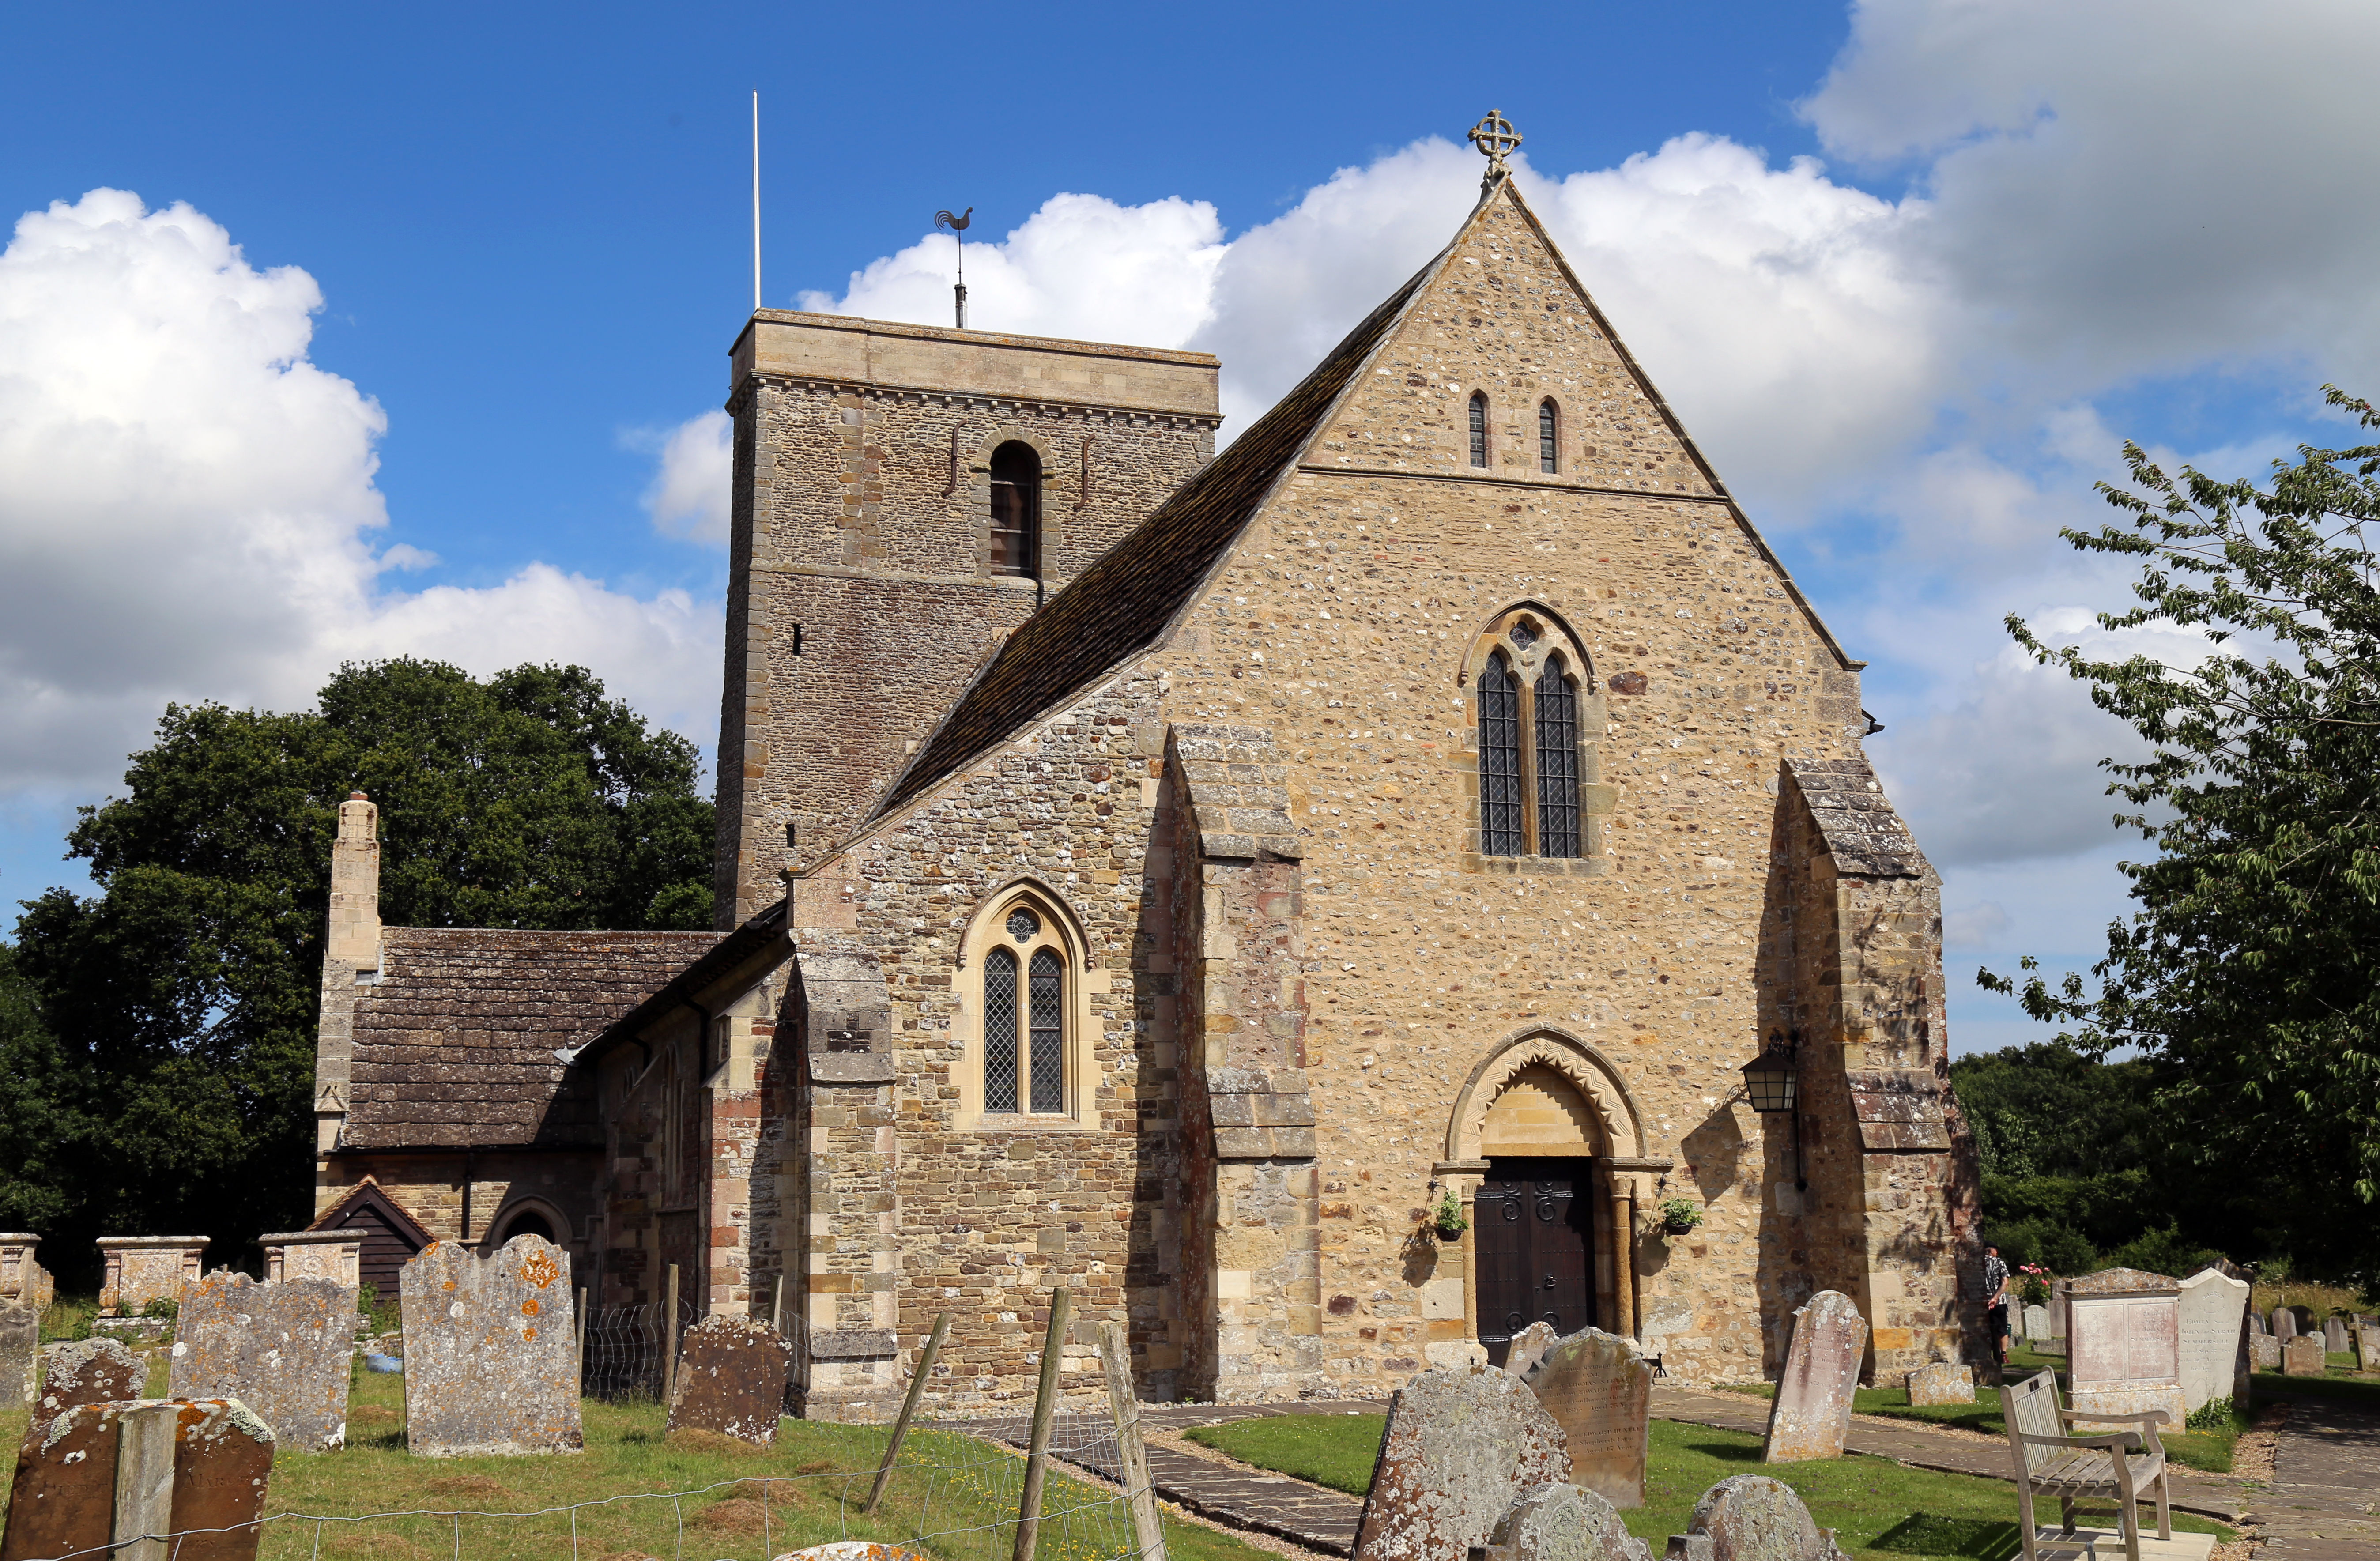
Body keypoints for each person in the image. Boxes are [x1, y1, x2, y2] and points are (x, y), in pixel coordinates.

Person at [1981, 1242, 2010, 1374]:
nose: (1997, 1253)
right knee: (2002, 1329)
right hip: (1998, 1302)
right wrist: (1996, 1297)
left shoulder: (1977, 1263)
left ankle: (1985, 1354)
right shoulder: (1999, 1263)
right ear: (1992, 1250)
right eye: (1996, 1250)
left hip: (1981, 1302)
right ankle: (2003, 1355)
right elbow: (2005, 1282)